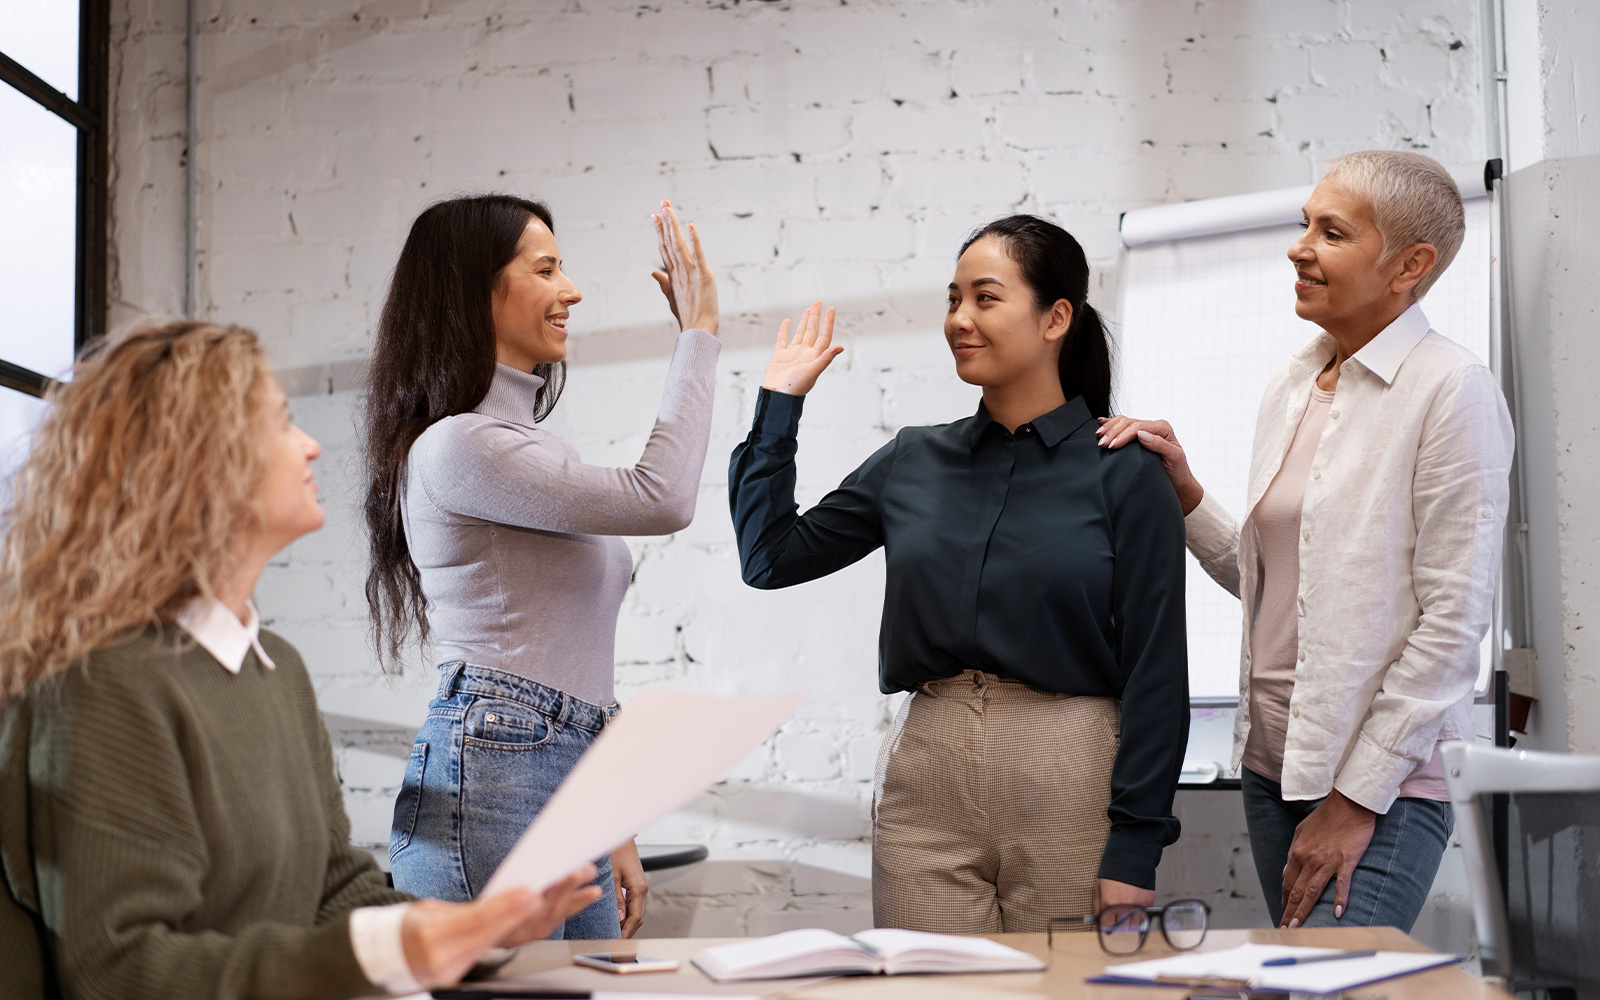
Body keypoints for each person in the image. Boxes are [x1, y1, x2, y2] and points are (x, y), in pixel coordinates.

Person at [0, 320, 601, 1000]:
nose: (311, 445)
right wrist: (388, 952)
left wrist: (475, 935)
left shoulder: (275, 667)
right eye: (282, 423)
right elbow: (120, 971)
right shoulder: (104, 684)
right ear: (201, 459)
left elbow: (335, 890)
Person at [728, 215, 1190, 933]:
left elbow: (1157, 670)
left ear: (1055, 318)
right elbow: (770, 557)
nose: (959, 319)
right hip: (927, 777)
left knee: (1066, 985)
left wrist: (1135, 847)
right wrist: (778, 405)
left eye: (985, 297)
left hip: (1070, 775)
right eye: (953, 299)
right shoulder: (913, 460)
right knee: (926, 983)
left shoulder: (1126, 471)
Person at [1099, 150, 1515, 932]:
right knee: (1297, 980)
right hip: (1272, 768)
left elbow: (1453, 626)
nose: (1300, 248)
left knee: (1335, 981)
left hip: (1380, 789)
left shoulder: (1451, 389)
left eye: (1333, 232)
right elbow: (1276, 583)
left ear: (1410, 265)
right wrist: (1185, 492)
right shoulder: (1293, 384)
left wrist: (1353, 801)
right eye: (1305, 226)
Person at [365, 196, 719, 939]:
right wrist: (698, 335)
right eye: (547, 269)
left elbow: (574, 660)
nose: (572, 291)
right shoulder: (461, 445)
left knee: (586, 986)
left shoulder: (528, 449)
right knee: (524, 987)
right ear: (476, 290)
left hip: (557, 760)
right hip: (498, 760)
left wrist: (613, 815)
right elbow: (662, 497)